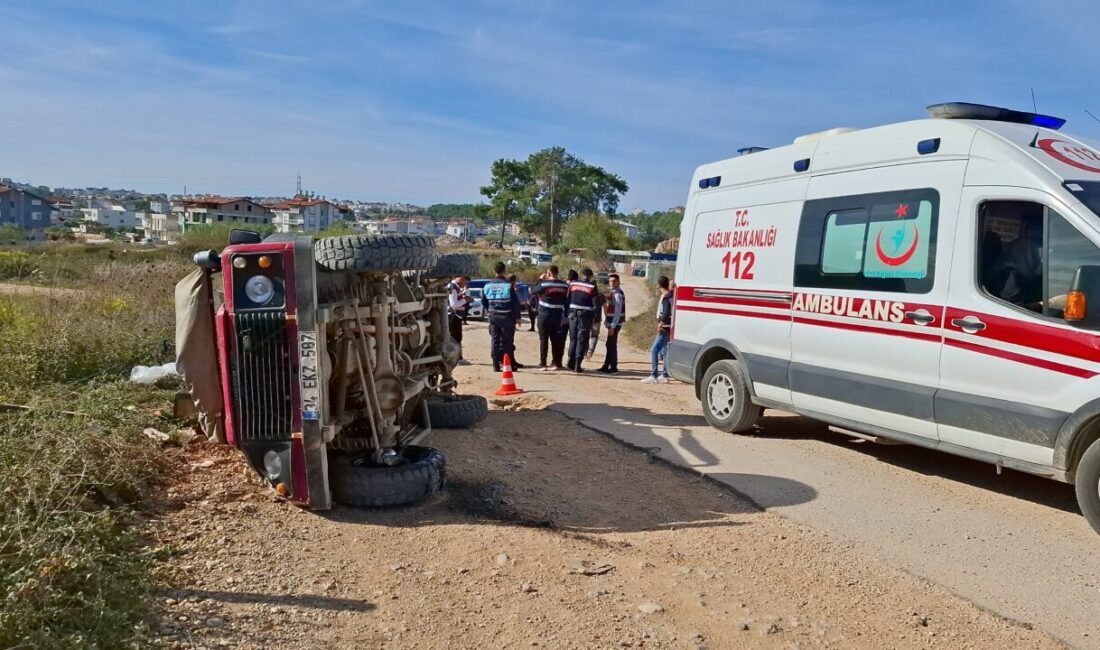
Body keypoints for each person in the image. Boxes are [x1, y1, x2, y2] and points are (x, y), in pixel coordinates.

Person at [482, 262, 522, 373]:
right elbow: (515, 303)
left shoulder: (487, 285)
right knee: (507, 341)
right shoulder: (508, 285)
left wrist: (490, 310)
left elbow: (483, 301)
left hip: (493, 316)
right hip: (506, 317)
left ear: (494, 272)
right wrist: (517, 317)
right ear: (504, 271)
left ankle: (495, 364)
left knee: (494, 340)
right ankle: (507, 364)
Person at [530, 265, 569, 370]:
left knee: (544, 340)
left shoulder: (544, 283)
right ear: (557, 272)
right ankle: (555, 363)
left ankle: (543, 364)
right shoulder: (564, 285)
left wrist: (540, 279)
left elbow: (532, 291)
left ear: (548, 273)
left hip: (544, 315)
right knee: (555, 340)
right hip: (557, 316)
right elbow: (567, 301)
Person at [566, 268, 601, 373]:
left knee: (573, 339)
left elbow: (567, 299)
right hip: (585, 317)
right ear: (590, 276)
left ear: (581, 275)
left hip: (572, 315)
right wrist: (597, 319)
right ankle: (577, 365)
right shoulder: (592, 286)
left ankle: (570, 362)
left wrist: (565, 314)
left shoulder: (572, 284)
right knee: (582, 339)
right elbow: (596, 305)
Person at [642, 276, 673, 384]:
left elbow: (666, 313)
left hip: (665, 327)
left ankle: (653, 375)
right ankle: (664, 374)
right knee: (664, 351)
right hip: (669, 327)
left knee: (654, 350)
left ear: (659, 285)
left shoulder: (666, 297)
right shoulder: (671, 296)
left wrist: (661, 324)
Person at [596, 273, 625, 374]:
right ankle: (606, 365)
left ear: (618, 282)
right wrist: (607, 320)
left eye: (614, 281)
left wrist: (612, 325)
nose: (612, 283)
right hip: (612, 322)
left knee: (611, 344)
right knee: (609, 344)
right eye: (610, 281)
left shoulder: (618, 294)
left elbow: (617, 311)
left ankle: (613, 367)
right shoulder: (613, 292)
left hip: (615, 324)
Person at [445, 275, 471, 362]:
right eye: (465, 282)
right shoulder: (453, 287)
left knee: (457, 337)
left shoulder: (456, 287)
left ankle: (458, 357)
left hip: (456, 317)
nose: (465, 284)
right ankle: (456, 359)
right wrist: (465, 300)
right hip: (453, 316)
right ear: (460, 278)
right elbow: (453, 304)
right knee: (455, 338)